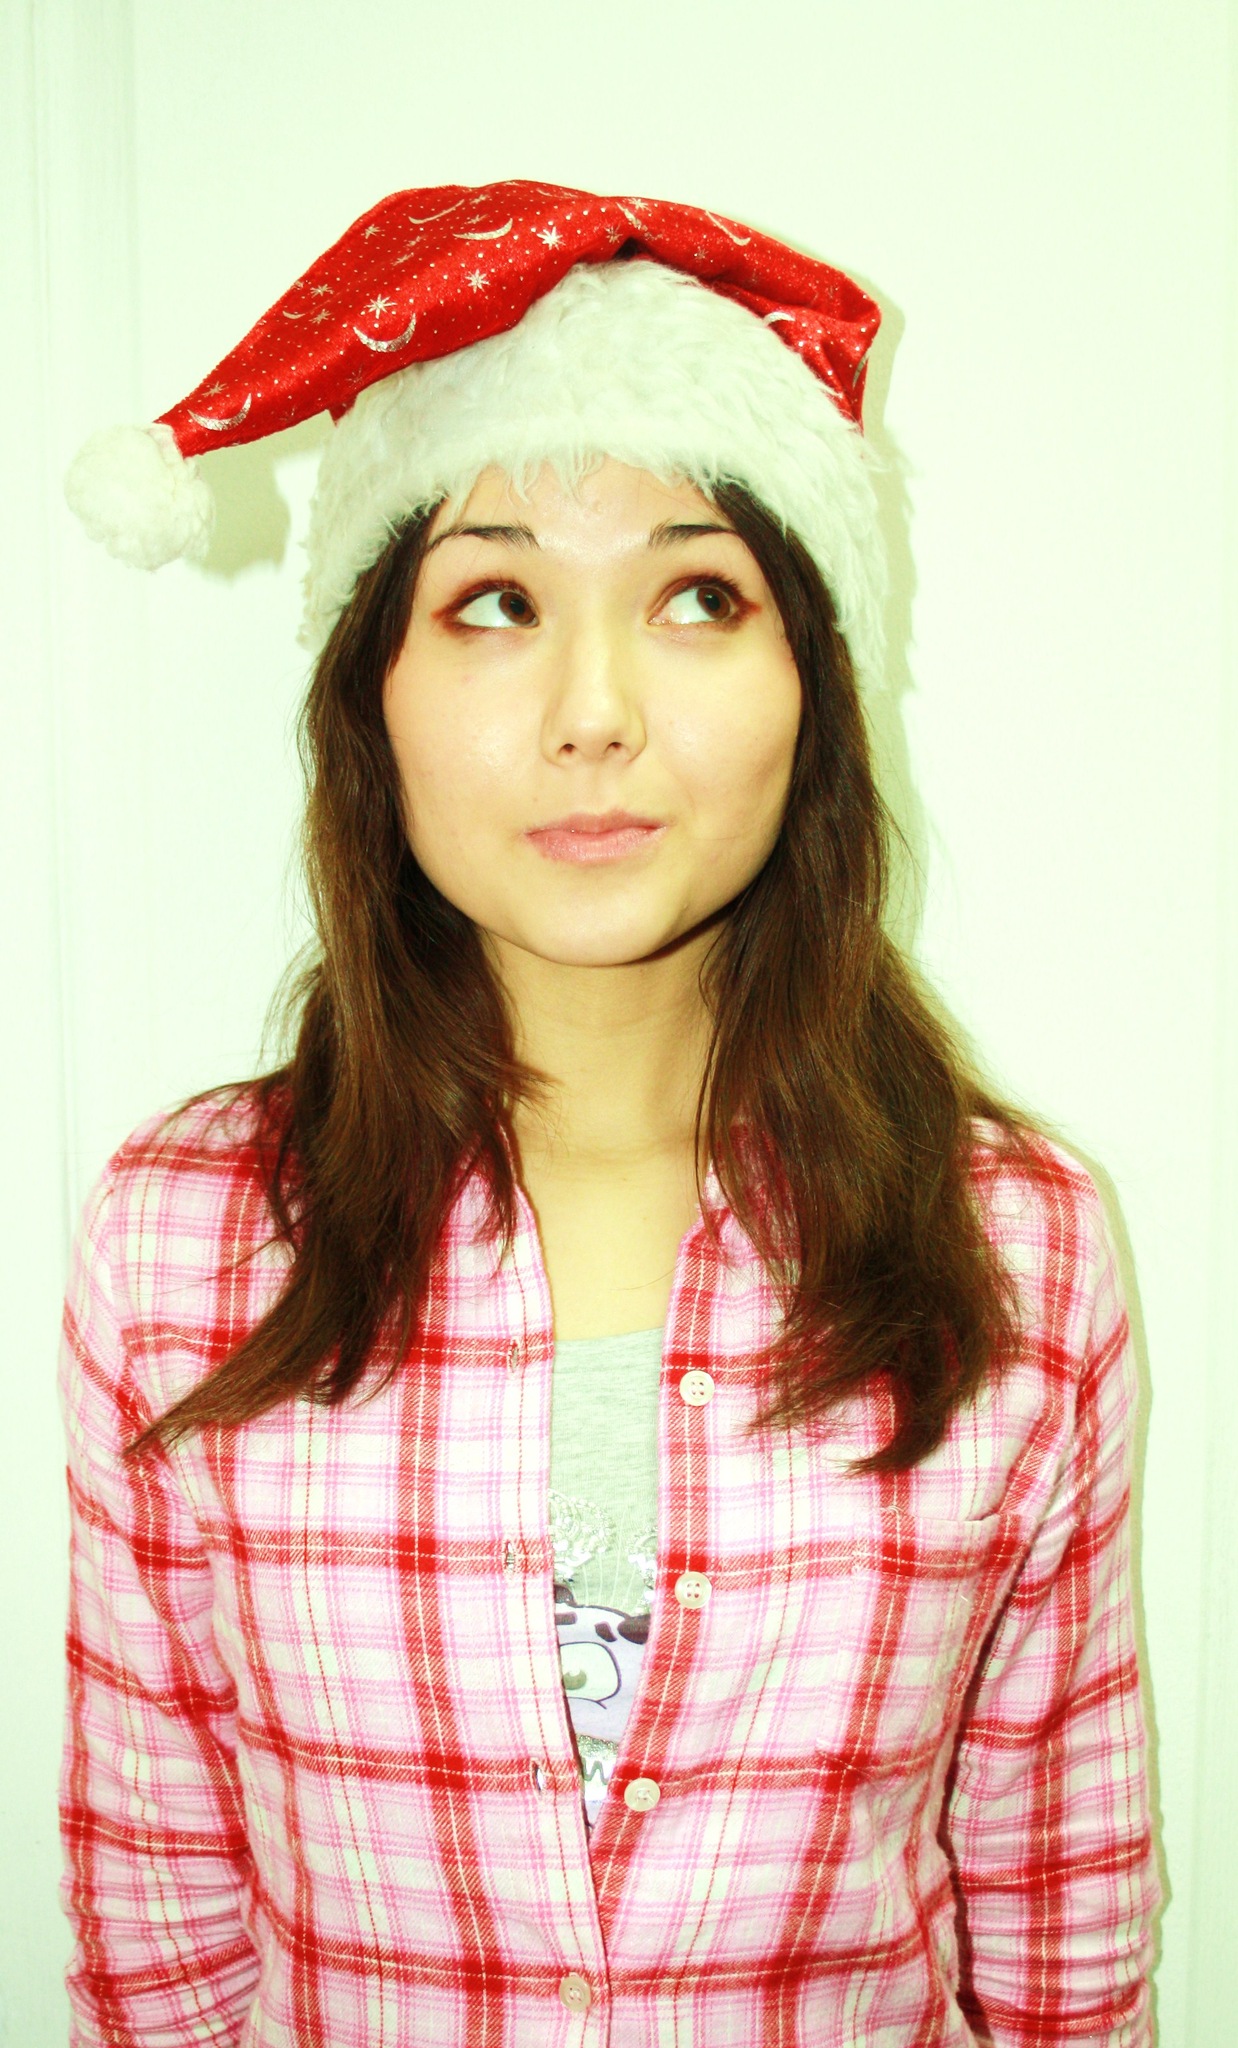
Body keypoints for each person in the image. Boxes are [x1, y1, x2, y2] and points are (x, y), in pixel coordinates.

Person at [58, 179, 1159, 2046]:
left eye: (696, 597)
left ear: (809, 682)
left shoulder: (1019, 1248)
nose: (593, 711)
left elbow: (1061, 1918)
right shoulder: (182, 1241)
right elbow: (156, 1922)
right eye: (493, 601)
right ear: (372, 692)